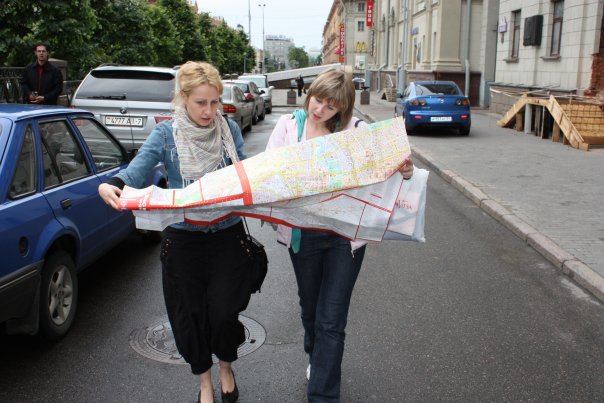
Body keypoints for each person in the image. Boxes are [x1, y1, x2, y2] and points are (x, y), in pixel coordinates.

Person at [98, 61, 251, 403]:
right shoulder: (166, 133)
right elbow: (137, 168)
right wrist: (112, 183)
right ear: (183, 98)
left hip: (227, 237)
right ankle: (205, 383)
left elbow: (245, 174)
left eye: (214, 102)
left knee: (224, 314)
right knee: (189, 317)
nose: (209, 111)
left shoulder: (229, 129)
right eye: (201, 102)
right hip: (183, 241)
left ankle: (226, 366)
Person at [265, 68, 414, 402]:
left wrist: (405, 169)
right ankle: (317, 357)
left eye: (330, 106)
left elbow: (390, 168)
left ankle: (322, 394)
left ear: (342, 109)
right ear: (310, 94)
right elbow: (267, 172)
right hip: (304, 236)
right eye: (317, 100)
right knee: (310, 309)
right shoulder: (288, 126)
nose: (320, 109)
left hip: (344, 239)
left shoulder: (356, 131)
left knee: (331, 320)